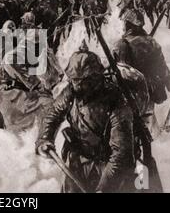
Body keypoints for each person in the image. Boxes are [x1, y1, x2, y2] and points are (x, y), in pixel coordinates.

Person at [36, 42, 137, 193]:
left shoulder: (116, 101)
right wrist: (45, 138)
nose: (75, 86)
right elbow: (54, 114)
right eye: (73, 80)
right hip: (78, 161)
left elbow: (121, 153)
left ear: (95, 78)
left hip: (109, 166)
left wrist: (104, 189)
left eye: (80, 81)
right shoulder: (72, 91)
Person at [113, 9, 170, 129]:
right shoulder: (151, 43)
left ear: (128, 25)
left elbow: (119, 72)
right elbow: (162, 68)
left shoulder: (121, 44)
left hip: (129, 94)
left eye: (125, 23)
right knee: (147, 125)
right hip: (150, 93)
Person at [0, 12, 61, 132]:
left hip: (23, 92)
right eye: (36, 46)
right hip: (10, 94)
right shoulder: (15, 55)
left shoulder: (37, 52)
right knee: (48, 106)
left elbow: (54, 73)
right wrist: (38, 85)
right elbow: (28, 78)